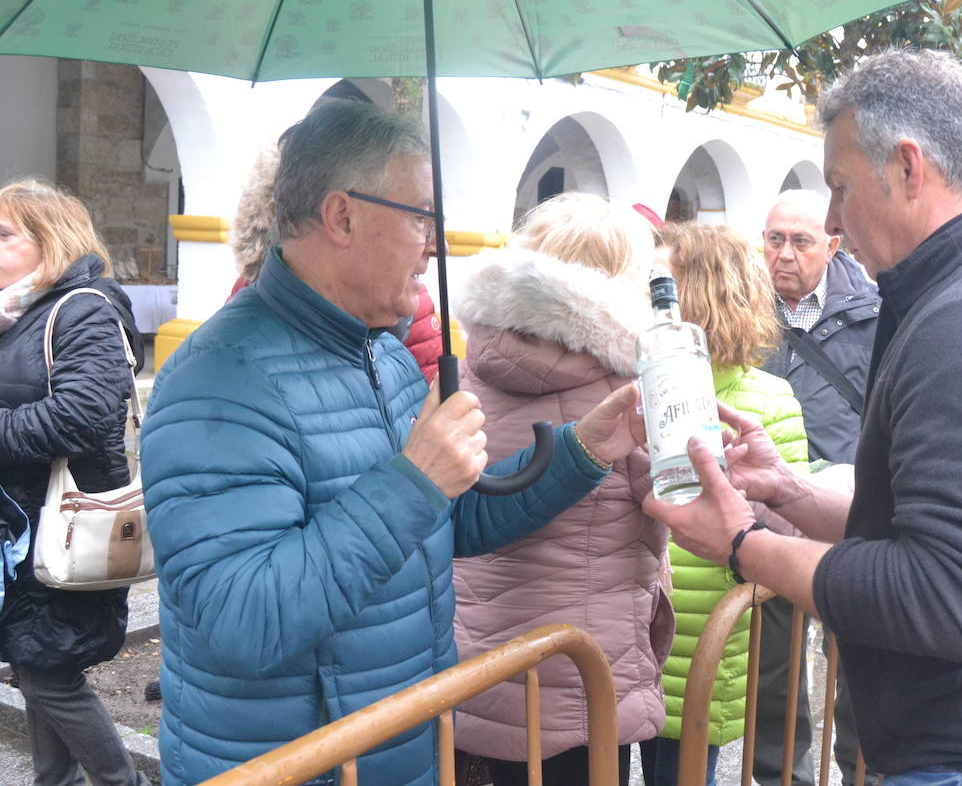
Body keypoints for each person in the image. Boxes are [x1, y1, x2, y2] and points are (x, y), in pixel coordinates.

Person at [644, 49, 962, 785]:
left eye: (840, 187)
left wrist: (741, 544)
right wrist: (791, 492)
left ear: (909, 169)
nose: (831, 219)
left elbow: (943, 598)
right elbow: (938, 521)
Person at [140, 100, 645, 786]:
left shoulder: (381, 353)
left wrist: (582, 450)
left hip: (398, 751)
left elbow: (443, 522)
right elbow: (242, 622)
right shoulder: (217, 380)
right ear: (342, 216)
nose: (432, 242)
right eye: (420, 217)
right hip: (301, 765)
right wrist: (413, 482)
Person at [448, 192, 668, 786]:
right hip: (579, 677)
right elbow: (677, 500)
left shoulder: (467, 367)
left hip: (474, 670)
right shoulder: (627, 388)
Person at [639, 222, 809, 786]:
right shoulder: (637, 383)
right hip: (641, 633)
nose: (648, 295)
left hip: (707, 643)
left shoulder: (767, 398)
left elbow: (789, 527)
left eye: (660, 281)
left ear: (699, 290)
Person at [0, 179, 150, 786]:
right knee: (37, 665)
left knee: (47, 672)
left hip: (64, 521)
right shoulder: (17, 314)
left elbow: (83, 415)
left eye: (5, 235)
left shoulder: (82, 307)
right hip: (23, 526)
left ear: (50, 240)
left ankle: (125, 781)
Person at [756, 188, 879, 786]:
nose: (783, 254)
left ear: (832, 246)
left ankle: (860, 771)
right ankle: (782, 777)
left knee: (855, 660)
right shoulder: (745, 312)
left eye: (800, 241)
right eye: (774, 239)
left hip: (846, 516)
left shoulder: (875, 314)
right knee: (771, 669)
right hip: (772, 518)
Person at [228, 137, 443, 381]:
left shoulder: (409, 303)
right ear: (341, 218)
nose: (438, 246)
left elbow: (426, 396)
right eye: (419, 218)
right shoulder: (244, 315)